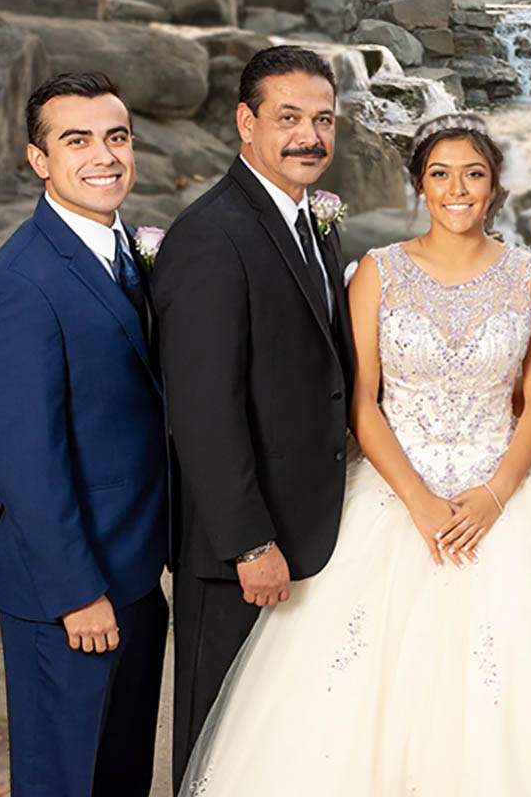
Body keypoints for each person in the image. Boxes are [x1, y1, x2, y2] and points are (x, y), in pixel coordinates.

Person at [177, 113, 531, 796]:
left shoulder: (529, 275)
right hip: (397, 495)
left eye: (474, 174)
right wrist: (418, 502)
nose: (458, 189)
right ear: (419, 185)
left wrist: (493, 493)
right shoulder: (379, 273)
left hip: (505, 498)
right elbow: (361, 400)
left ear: (495, 187)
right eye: (440, 174)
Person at [150, 46, 355, 787]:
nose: (310, 137)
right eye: (290, 118)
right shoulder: (211, 235)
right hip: (240, 550)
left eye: (323, 120)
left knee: (276, 743)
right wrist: (247, 544)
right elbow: (202, 409)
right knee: (215, 744)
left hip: (312, 532)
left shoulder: (314, 223)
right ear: (246, 122)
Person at [0, 71, 168, 796]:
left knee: (119, 781)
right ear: (38, 159)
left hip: (136, 575)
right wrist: (77, 592)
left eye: (116, 137)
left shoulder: (125, 252)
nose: (103, 156)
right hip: (72, 592)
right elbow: (26, 460)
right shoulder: (19, 282)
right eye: (75, 140)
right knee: (64, 783)